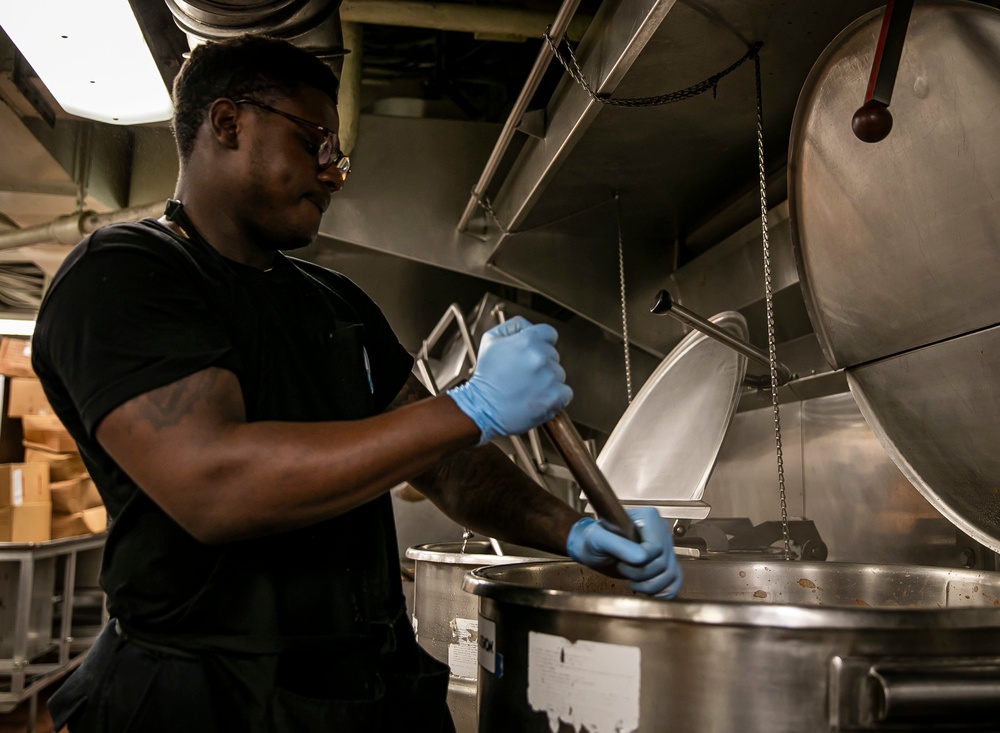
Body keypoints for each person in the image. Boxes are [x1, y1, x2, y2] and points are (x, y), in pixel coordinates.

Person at [32, 34, 682, 733]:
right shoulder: (125, 273)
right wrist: (473, 405)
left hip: (358, 693)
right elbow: (214, 483)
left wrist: (576, 531)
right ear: (227, 124)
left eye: (337, 156)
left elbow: (448, 465)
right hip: (203, 697)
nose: (333, 175)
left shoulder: (334, 302)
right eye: (315, 144)